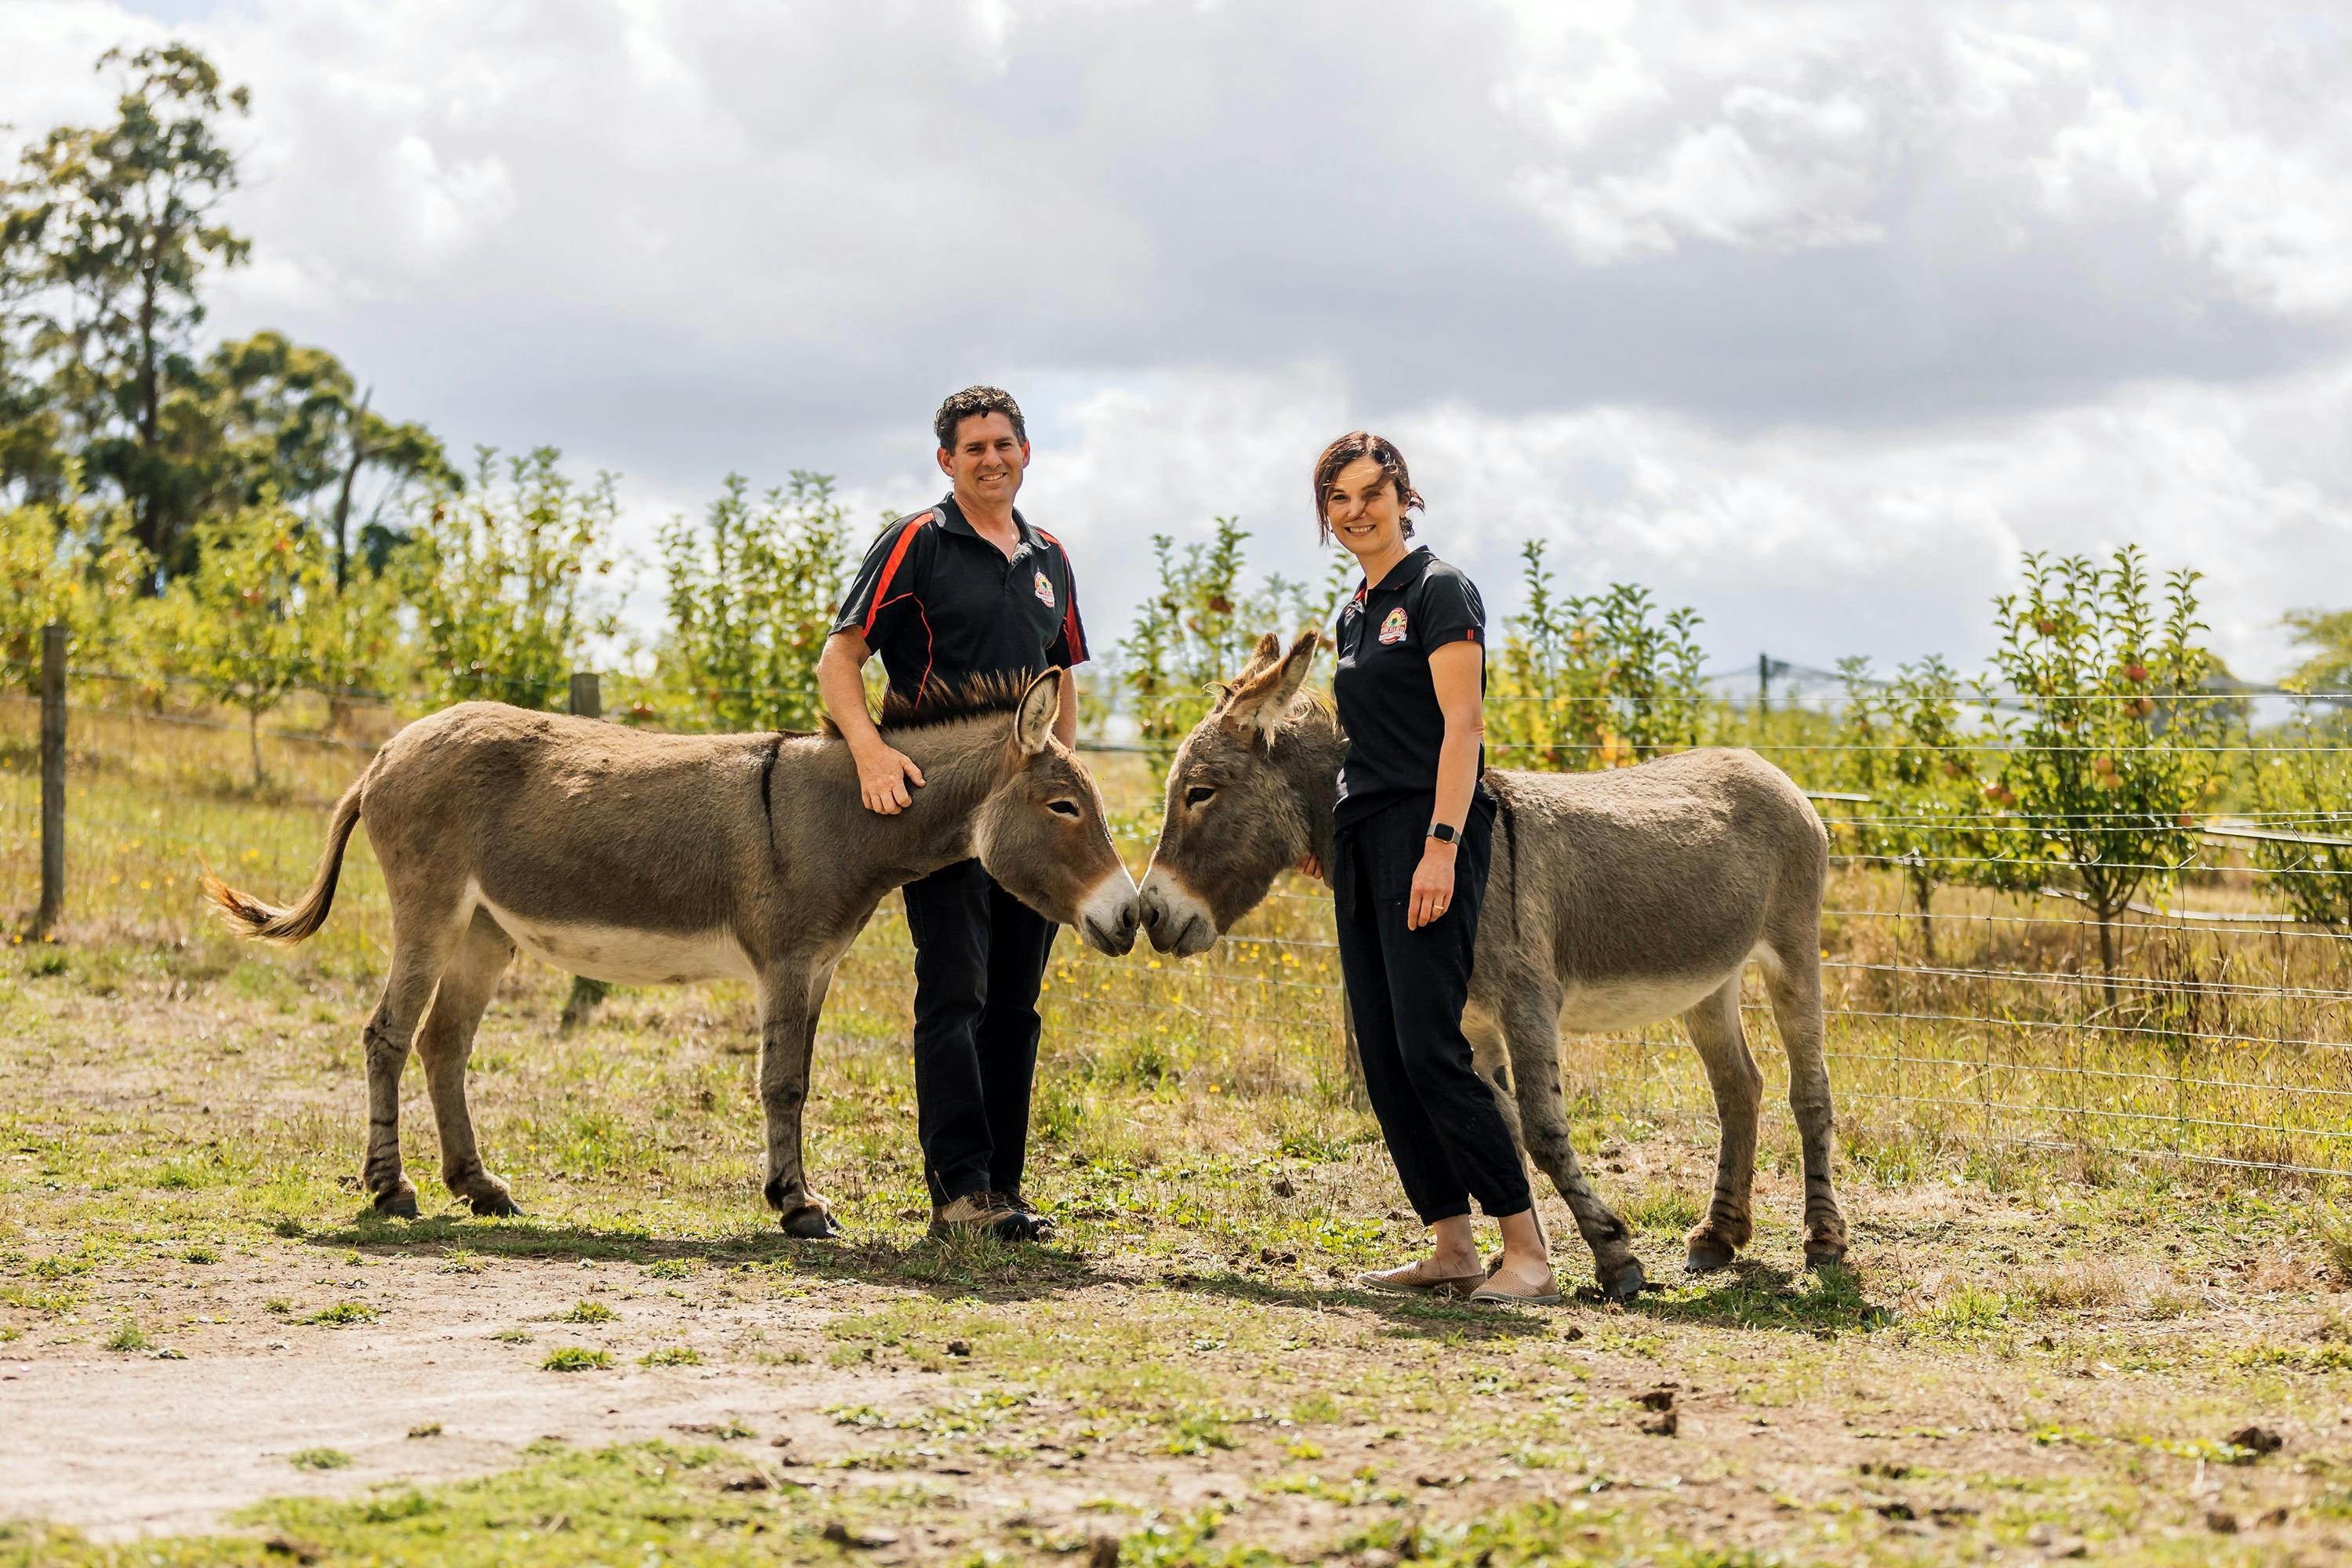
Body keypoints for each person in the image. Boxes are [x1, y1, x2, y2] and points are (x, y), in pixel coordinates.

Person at [817, 386, 1087, 1242]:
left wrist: (1065, 786)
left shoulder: (1051, 556)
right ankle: (959, 1190)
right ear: (947, 461)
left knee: (1017, 999)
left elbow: (1061, 675)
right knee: (955, 993)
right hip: (940, 818)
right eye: (973, 448)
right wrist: (870, 752)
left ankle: (1004, 1189)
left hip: (1027, 823)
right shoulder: (914, 543)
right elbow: (840, 658)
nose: (991, 459)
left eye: (1004, 443)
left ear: (1026, 450)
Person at [1309, 430, 1557, 1305]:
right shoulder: (1355, 610)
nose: (1355, 511)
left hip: (1430, 824)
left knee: (1431, 1043)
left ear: (1404, 495)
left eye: (1370, 492)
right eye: (1338, 499)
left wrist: (1442, 846)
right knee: (1383, 1048)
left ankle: (1525, 1250)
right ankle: (1451, 1242)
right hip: (1364, 831)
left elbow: (1463, 727)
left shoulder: (1441, 589)